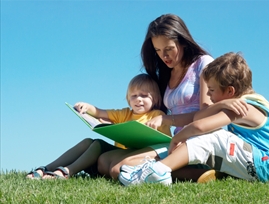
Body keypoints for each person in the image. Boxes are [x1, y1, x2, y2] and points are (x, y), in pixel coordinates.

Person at [118, 52, 269, 186]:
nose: (208, 94)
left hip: (268, 166)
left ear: (230, 92)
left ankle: (158, 171)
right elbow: (199, 116)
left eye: (212, 90)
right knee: (216, 140)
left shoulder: (243, 108)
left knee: (212, 137)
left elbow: (200, 126)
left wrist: (177, 138)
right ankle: (156, 170)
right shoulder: (237, 104)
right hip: (260, 164)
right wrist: (218, 105)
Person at [96, 13, 215, 181]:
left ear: (182, 41)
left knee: (119, 169)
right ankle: (179, 171)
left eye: (168, 49)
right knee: (104, 162)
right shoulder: (166, 74)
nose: (163, 56)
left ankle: (200, 173)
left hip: (197, 140)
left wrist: (168, 119)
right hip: (175, 139)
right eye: (158, 50)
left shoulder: (203, 63)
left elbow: (207, 114)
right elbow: (149, 112)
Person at [26, 73, 171, 179]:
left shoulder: (156, 115)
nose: (138, 99)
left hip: (133, 159)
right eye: (134, 96)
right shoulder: (125, 113)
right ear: (128, 99)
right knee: (87, 142)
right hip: (114, 155)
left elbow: (163, 142)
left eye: (144, 95)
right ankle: (45, 169)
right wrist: (87, 107)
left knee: (98, 144)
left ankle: (66, 172)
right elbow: (100, 112)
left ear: (155, 98)